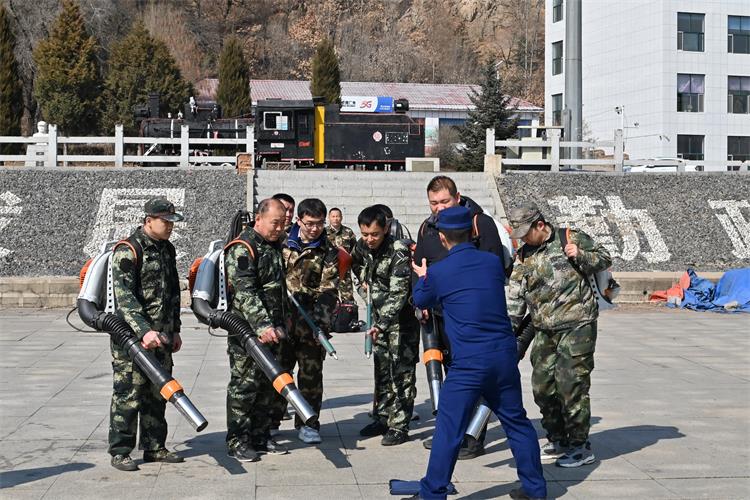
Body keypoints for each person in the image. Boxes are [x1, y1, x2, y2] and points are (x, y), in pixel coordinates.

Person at [411, 205, 546, 500]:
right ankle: (535, 489)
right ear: (472, 232)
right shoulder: (491, 263)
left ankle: (432, 493)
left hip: (469, 363)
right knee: (517, 422)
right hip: (503, 356)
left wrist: (424, 276)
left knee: (448, 429)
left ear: (442, 237)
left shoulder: (439, 271)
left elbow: (420, 299)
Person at [507, 202, 612, 468]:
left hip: (578, 325)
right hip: (544, 329)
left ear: (540, 225)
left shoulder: (570, 237)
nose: (523, 239)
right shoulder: (524, 254)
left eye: (526, 233)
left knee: (571, 385)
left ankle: (579, 446)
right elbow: (516, 294)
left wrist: (581, 255)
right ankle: (558, 438)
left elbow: (604, 258)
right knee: (542, 387)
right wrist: (509, 328)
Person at [412, 175, 507, 459]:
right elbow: (418, 267)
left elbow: (493, 269)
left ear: (457, 197)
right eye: (434, 203)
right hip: (440, 316)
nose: (439, 207)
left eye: (444, 201)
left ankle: (473, 438)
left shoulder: (480, 223)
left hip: (471, 318)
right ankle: (451, 435)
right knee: (451, 379)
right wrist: (420, 302)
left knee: (474, 378)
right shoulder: (427, 228)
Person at [109, 197, 185, 471]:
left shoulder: (167, 249)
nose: (170, 227)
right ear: (148, 220)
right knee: (129, 394)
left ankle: (154, 446)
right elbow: (125, 299)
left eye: (172, 222)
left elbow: (173, 292)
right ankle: (120, 451)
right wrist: (144, 331)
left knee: (158, 392)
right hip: (131, 339)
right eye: (165, 221)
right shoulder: (128, 250)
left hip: (161, 336)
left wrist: (174, 329)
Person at [224, 198, 291, 462]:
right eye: (275, 223)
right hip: (247, 333)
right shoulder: (243, 248)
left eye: (283, 223)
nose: (279, 228)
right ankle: (237, 441)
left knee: (267, 386)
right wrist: (263, 324)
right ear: (259, 219)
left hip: (273, 331)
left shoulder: (272, 246)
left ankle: (260, 436)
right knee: (244, 386)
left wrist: (282, 322)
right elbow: (245, 292)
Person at [353, 206, 419, 446]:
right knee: (381, 370)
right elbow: (355, 269)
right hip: (378, 321)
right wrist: (364, 289)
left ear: (386, 229)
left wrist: (380, 324)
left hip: (401, 323)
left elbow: (399, 294)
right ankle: (382, 417)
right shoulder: (362, 247)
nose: (370, 239)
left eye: (375, 234)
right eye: (365, 234)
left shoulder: (398, 250)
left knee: (402, 373)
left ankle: (399, 425)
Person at [281, 198, 339, 444]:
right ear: (299, 220)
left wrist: (321, 326)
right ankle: (271, 422)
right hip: (282, 322)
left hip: (311, 323)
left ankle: (308, 423)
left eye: (319, 223)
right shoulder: (282, 241)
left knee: (311, 377)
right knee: (279, 373)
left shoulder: (328, 250)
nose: (315, 229)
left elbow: (329, 290)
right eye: (310, 223)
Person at [326, 207, 357, 302]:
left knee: (348, 298)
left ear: (341, 217)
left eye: (338, 216)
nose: (335, 219)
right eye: (333, 216)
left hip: (345, 271)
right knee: (329, 297)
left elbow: (354, 250)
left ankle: (347, 311)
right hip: (329, 271)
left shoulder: (348, 232)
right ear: (329, 218)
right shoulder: (324, 232)